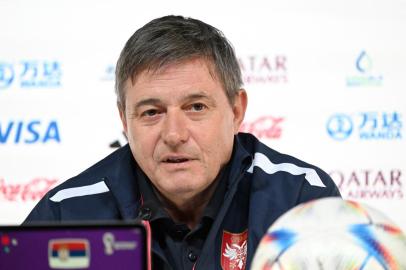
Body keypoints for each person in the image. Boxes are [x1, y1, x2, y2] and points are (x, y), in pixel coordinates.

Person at [24, 15, 341, 269]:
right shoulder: (67, 214)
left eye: (196, 107)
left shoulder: (300, 200)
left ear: (236, 110)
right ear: (124, 120)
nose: (174, 134)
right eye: (151, 112)